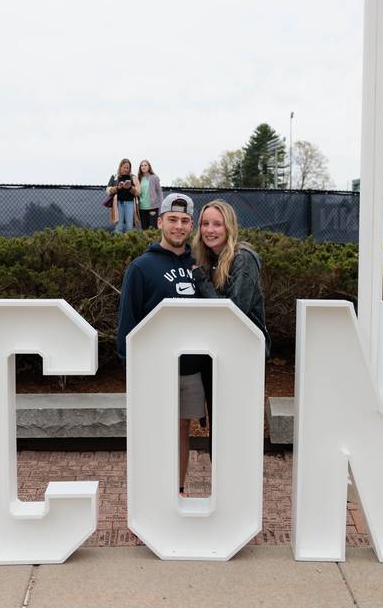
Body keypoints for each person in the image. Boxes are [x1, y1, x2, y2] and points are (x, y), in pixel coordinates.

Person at [116, 193, 203, 495]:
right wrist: (130, 365)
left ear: (191, 225)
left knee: (181, 430)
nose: (178, 226)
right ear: (161, 221)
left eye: (185, 221)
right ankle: (147, 499)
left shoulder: (199, 264)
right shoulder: (141, 267)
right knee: (151, 432)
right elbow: (128, 320)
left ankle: (177, 491)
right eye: (173, 220)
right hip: (154, 369)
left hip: (190, 369)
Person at [191, 200, 271, 444]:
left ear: (229, 228)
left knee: (237, 428)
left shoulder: (243, 258)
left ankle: (240, 480)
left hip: (243, 353)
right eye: (205, 224)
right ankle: (223, 480)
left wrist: (203, 282)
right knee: (220, 429)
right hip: (217, 353)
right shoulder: (209, 260)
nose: (210, 230)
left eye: (217, 224)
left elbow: (233, 312)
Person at [107, 158, 139, 233]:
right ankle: (118, 243)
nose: (126, 169)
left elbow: (137, 192)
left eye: (128, 168)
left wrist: (130, 187)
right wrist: (118, 187)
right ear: (120, 167)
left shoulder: (133, 177)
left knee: (129, 226)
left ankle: (129, 242)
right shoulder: (115, 176)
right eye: (124, 167)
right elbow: (108, 190)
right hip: (118, 203)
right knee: (119, 226)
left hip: (130, 203)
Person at [136, 159, 163, 230]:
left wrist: (161, 204)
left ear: (149, 167)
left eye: (145, 165)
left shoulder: (154, 177)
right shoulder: (138, 179)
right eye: (142, 166)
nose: (143, 167)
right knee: (144, 228)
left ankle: (153, 242)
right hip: (142, 207)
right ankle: (146, 242)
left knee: (152, 228)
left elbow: (159, 192)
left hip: (153, 207)